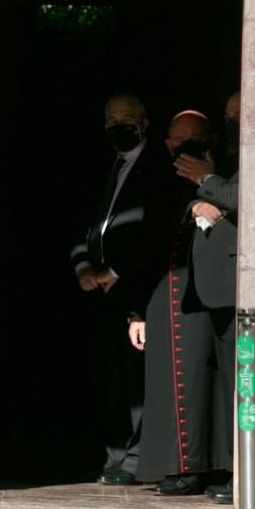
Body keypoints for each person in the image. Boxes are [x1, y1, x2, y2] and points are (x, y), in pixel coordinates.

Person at [130, 108, 235, 496]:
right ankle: (181, 467)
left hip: (215, 289)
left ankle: (219, 467)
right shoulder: (154, 178)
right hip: (171, 289)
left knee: (212, 383)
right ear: (167, 143)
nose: (187, 145)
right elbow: (147, 240)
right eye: (180, 139)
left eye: (196, 137)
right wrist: (136, 311)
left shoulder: (226, 171)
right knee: (177, 381)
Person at [71, 94, 171, 486]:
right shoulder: (105, 167)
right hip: (98, 291)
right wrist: (83, 267)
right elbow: (85, 221)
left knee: (135, 380)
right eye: (111, 118)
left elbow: (154, 232)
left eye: (127, 118)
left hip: (135, 291)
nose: (118, 125)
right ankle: (114, 456)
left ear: (145, 123)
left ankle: (136, 459)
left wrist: (116, 271)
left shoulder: (158, 168)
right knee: (108, 377)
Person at [173, 92, 241, 503]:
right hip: (212, 287)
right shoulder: (227, 155)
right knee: (227, 385)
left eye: (240, 114)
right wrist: (200, 196)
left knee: (241, 385)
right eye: (229, 115)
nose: (234, 121)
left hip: (237, 284)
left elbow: (236, 196)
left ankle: (244, 477)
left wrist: (206, 181)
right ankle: (233, 471)